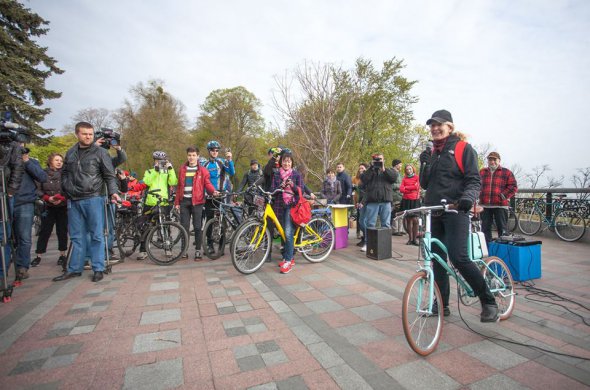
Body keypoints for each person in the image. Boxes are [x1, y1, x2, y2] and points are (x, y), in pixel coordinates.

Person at [419, 109, 498, 322]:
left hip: (456, 209)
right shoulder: (433, 153)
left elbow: (474, 180)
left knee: (458, 256)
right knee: (436, 260)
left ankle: (488, 301)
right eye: (432, 125)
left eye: (439, 124)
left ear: (450, 127)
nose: (435, 128)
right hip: (433, 211)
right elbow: (425, 185)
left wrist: (467, 198)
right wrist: (423, 163)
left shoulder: (464, 149)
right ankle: (442, 305)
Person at [53, 122, 120, 283]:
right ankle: (74, 268)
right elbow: (65, 173)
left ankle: (98, 268)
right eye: (85, 134)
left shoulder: (100, 153)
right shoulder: (70, 153)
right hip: (74, 200)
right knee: (76, 236)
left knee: (97, 235)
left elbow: (109, 175)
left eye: (90, 134)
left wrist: (113, 192)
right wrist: (66, 189)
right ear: (77, 134)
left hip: (93, 197)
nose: (88, 136)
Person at [175, 146, 218, 261]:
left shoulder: (203, 170)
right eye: (189, 155)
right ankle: (184, 251)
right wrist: (177, 202)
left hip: (198, 202)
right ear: (187, 156)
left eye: (194, 155)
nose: (191, 157)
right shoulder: (182, 169)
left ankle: (198, 250)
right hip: (184, 202)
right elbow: (179, 186)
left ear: (198, 156)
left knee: (198, 226)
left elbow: (207, 184)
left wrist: (213, 191)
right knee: (184, 227)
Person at [12, 144, 47, 283]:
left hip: (25, 202)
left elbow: (42, 177)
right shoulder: (6, 160)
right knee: (6, 237)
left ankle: (22, 267)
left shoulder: (31, 161)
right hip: (7, 201)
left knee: (24, 237)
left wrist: (26, 160)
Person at [136, 150, 178, 260]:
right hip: (150, 202)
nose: (159, 162)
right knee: (146, 226)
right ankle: (143, 249)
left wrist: (171, 169)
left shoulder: (167, 172)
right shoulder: (149, 171)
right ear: (154, 161)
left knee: (165, 226)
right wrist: (155, 170)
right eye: (157, 161)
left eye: (161, 161)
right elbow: (147, 182)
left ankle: (167, 247)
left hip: (163, 202)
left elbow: (173, 182)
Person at [32, 153, 68, 267]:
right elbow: (37, 189)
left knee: (62, 231)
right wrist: (48, 198)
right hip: (48, 207)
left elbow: (69, 188)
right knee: (44, 231)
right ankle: (38, 255)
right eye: (56, 160)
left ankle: (63, 254)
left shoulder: (65, 174)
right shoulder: (42, 173)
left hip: (62, 206)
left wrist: (62, 198)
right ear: (50, 161)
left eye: (61, 161)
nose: (59, 162)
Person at [270, 151, 303, 274]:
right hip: (279, 206)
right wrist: (281, 185)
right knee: (283, 232)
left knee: (288, 233)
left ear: (291, 163)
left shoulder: (296, 175)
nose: (286, 163)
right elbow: (272, 190)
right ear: (281, 162)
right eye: (284, 161)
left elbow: (301, 190)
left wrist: (293, 186)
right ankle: (289, 257)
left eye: (289, 161)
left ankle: (288, 261)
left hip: (292, 205)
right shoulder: (277, 174)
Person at [201, 140, 234, 252]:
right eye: (212, 150)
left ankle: (221, 245)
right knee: (209, 220)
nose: (214, 152)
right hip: (209, 196)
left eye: (216, 150)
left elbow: (232, 172)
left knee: (222, 220)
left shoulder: (222, 162)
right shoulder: (204, 164)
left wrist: (229, 160)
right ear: (209, 151)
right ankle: (209, 245)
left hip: (221, 195)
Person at [359, 153, 396, 252]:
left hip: (386, 201)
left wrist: (383, 169)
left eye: (380, 159)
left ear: (384, 160)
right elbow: (363, 179)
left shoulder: (389, 170)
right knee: (370, 224)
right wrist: (371, 168)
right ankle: (368, 244)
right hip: (372, 201)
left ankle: (385, 246)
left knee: (386, 224)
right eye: (377, 160)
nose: (378, 161)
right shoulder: (370, 171)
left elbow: (394, 178)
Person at [479, 152, 518, 243]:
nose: (492, 162)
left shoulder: (506, 172)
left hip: (500, 205)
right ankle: (488, 249)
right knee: (485, 229)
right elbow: (476, 185)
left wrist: (502, 196)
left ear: (499, 161)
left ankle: (502, 249)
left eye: (494, 159)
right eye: (490, 159)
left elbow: (513, 187)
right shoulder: (482, 172)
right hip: (484, 206)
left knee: (502, 229)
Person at [400, 164, 421, 246]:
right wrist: (411, 188)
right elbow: (401, 189)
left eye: (410, 169)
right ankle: (410, 239)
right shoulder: (404, 178)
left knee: (415, 220)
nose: (409, 170)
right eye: (407, 169)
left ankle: (415, 240)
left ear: (413, 169)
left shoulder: (417, 177)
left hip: (415, 200)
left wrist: (406, 188)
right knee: (408, 220)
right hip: (406, 200)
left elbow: (417, 187)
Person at [352, 163, 368, 246]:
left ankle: (367, 240)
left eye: (362, 168)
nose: (360, 170)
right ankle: (365, 238)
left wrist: (362, 202)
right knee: (360, 221)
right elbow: (359, 192)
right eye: (360, 168)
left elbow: (367, 192)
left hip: (367, 202)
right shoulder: (358, 179)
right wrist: (357, 201)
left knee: (363, 221)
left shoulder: (368, 178)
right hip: (360, 201)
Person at [390, 159, 404, 236]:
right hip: (394, 196)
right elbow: (391, 185)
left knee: (401, 212)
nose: (401, 166)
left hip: (400, 196)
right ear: (396, 165)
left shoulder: (399, 173)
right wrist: (401, 186)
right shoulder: (392, 173)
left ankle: (400, 229)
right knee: (395, 213)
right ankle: (395, 230)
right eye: (400, 164)